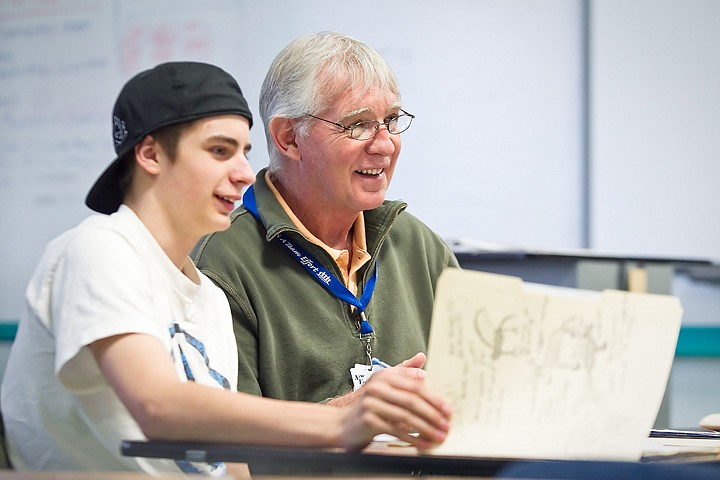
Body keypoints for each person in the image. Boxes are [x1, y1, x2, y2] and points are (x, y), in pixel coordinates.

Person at [0, 61, 451, 476]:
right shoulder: (99, 249)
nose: (242, 172)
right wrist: (343, 421)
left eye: (243, 151)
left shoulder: (207, 297)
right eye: (219, 151)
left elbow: (234, 465)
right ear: (151, 155)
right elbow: (159, 407)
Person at [192, 32, 460, 406]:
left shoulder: (420, 246)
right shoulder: (221, 265)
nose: (385, 144)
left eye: (392, 119)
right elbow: (231, 445)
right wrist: (349, 414)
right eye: (358, 125)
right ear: (289, 138)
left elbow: (480, 402)